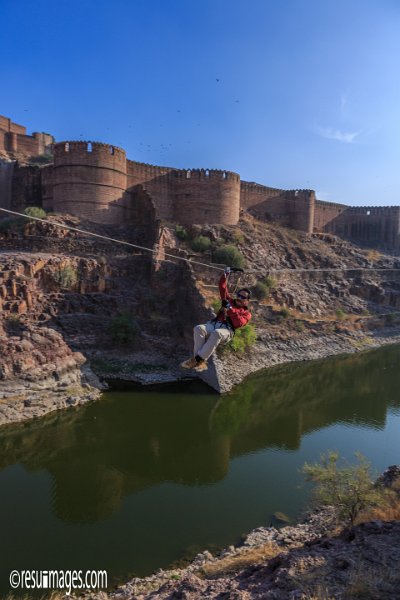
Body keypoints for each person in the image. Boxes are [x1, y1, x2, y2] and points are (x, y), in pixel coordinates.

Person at [181, 267, 252, 372]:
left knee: (217, 333)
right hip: (215, 323)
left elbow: (237, 323)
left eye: (243, 297)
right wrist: (226, 273)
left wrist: (230, 309)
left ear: (247, 301)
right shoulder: (229, 301)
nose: (239, 298)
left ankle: (198, 360)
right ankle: (199, 362)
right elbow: (222, 286)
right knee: (198, 328)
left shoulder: (247, 314)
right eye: (239, 295)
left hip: (227, 331)